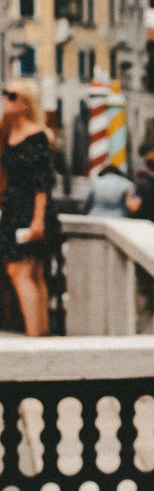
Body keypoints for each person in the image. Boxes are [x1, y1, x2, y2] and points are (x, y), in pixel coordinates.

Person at [1, 79, 62, 337]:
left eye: (12, 95)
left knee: (20, 271)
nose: (5, 98)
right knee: (33, 273)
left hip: (31, 209)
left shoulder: (36, 136)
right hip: (13, 207)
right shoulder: (6, 133)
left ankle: (34, 336)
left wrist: (38, 221)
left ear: (26, 104)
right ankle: (41, 333)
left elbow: (42, 182)